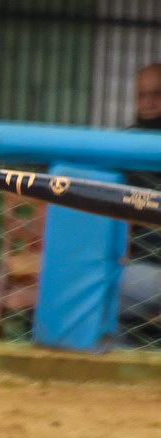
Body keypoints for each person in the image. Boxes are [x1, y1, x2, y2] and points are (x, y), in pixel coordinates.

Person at [119, 63, 161, 343]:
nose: (148, 103)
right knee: (89, 287)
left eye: (156, 94)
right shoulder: (124, 146)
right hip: (138, 269)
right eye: (141, 95)